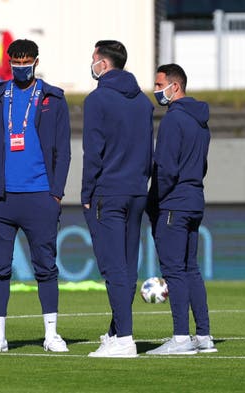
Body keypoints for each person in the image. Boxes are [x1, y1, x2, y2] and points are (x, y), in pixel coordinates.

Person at [0, 39, 71, 353]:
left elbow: (63, 151)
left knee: (45, 266)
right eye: (15, 62)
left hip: (39, 195)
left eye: (26, 61)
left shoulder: (52, 98)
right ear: (9, 63)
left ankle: (52, 334)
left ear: (36, 61)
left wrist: (55, 194)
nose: (20, 67)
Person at [81, 40, 154, 358]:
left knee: (113, 267)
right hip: (137, 190)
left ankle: (124, 338)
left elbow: (92, 150)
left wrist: (86, 192)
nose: (92, 63)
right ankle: (116, 330)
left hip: (108, 191)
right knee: (127, 264)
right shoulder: (144, 102)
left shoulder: (97, 100)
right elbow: (148, 150)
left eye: (94, 58)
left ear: (104, 63)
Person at [146, 64, 217, 355]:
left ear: (175, 86)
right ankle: (203, 335)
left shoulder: (174, 119)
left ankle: (179, 338)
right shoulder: (200, 121)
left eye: (160, 84)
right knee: (191, 269)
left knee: (174, 270)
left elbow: (165, 168)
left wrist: (154, 202)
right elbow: (203, 165)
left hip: (174, 202)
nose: (156, 90)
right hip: (195, 199)